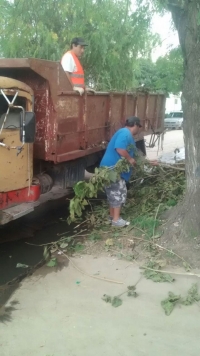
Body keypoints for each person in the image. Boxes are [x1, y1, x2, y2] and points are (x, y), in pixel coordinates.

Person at [100, 116, 158, 228]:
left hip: (110, 169)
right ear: (135, 125)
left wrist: (149, 162)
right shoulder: (125, 133)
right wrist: (129, 159)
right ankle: (116, 220)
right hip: (113, 169)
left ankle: (112, 217)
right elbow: (120, 148)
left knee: (113, 193)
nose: (139, 130)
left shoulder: (126, 134)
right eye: (139, 127)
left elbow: (135, 156)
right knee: (118, 192)